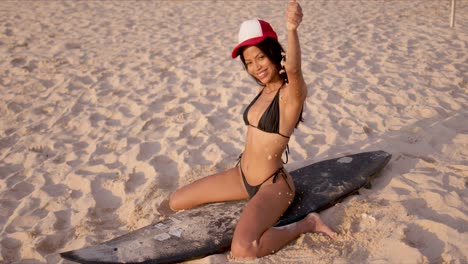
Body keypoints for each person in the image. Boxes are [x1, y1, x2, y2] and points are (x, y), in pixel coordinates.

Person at [167, 0, 335, 259]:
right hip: (241, 176)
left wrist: (292, 29)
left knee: (243, 249)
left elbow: (294, 68)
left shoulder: (291, 94)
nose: (256, 66)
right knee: (175, 201)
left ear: (273, 52)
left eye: (260, 57)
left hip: (272, 186)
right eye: (249, 62)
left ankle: (306, 224)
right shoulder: (264, 90)